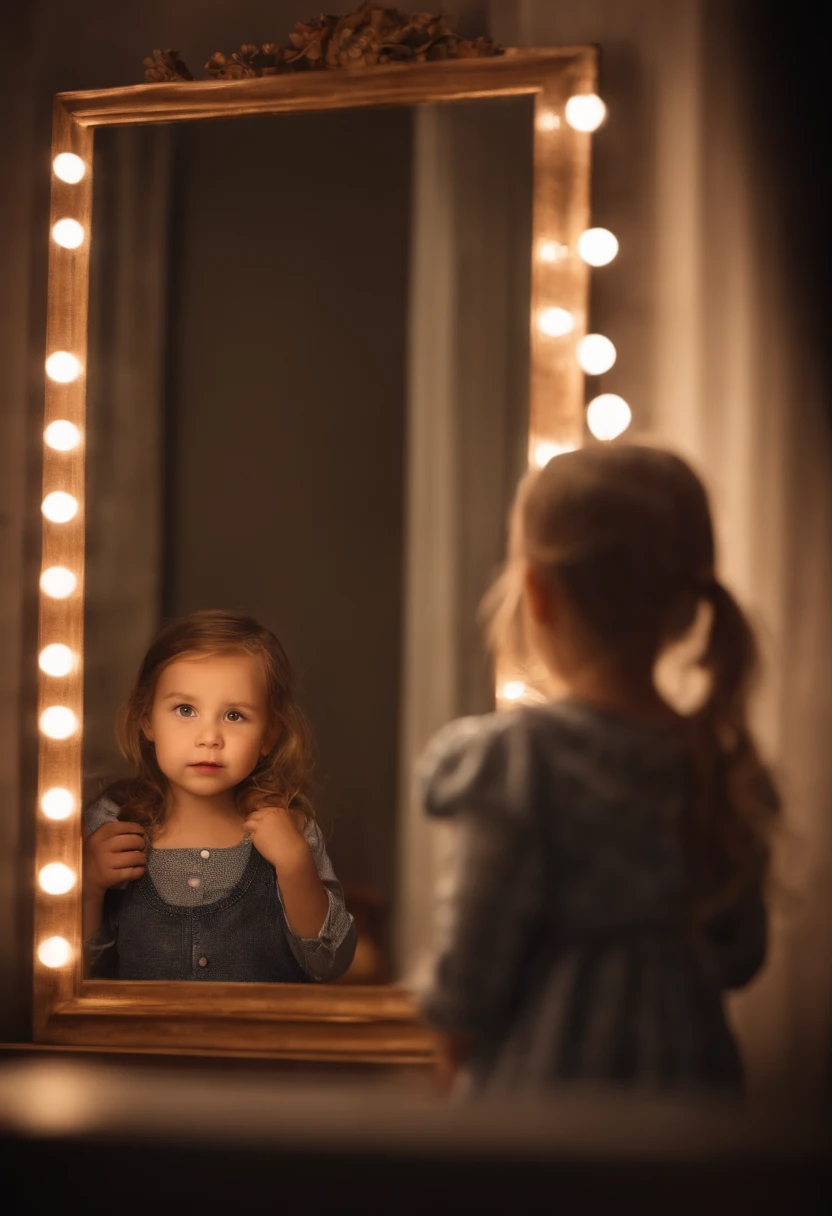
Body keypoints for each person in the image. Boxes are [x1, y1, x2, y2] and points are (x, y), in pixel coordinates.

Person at [415, 444, 780, 1095]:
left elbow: (468, 976)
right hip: (695, 1109)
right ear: (688, 603)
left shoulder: (520, 762)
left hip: (548, 1113)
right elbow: (740, 955)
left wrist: (450, 1051)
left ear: (537, 593)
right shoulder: (719, 764)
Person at [82, 609, 357, 983]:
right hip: (140, 1040)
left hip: (258, 1041)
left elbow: (330, 964)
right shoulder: (111, 824)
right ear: (147, 720)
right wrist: (89, 884)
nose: (209, 736)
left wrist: (295, 865)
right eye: (185, 710)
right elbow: (72, 968)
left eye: (234, 716)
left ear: (269, 736)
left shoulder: (292, 831)